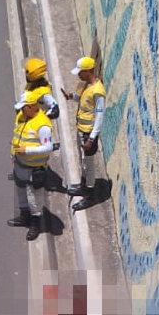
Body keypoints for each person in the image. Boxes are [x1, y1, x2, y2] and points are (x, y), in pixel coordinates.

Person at [7, 90, 55, 241]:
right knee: (20, 190)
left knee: (34, 197)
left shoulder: (43, 125)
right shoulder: (22, 116)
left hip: (35, 168)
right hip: (20, 164)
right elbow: (16, 136)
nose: (21, 110)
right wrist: (13, 155)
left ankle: (35, 224)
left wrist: (26, 150)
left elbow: (48, 147)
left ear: (32, 106)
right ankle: (24, 216)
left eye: (24, 107)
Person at [63, 56, 108, 209]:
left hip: (88, 134)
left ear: (88, 71)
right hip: (81, 131)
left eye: (80, 72)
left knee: (89, 165)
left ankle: (90, 195)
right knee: (83, 161)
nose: (78, 75)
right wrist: (72, 97)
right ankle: (82, 186)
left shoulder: (98, 91)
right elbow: (85, 102)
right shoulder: (87, 85)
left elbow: (99, 116)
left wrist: (91, 138)